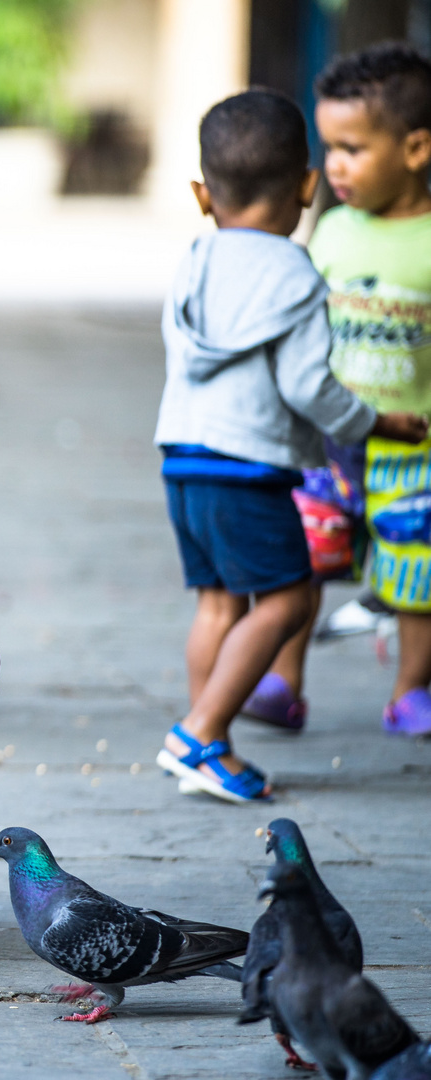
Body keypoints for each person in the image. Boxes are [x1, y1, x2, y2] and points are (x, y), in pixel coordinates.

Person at [152, 89, 428, 804]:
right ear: (307, 186)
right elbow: (309, 386)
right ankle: (199, 733)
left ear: (200, 193)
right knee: (285, 602)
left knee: (217, 605)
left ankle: (209, 741)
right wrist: (374, 422)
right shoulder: (295, 274)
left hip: (182, 456)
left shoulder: (191, 261)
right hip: (248, 467)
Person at [254, 43, 431, 736]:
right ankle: (282, 681)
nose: (335, 166)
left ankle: (411, 690)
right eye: (328, 148)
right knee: (301, 562)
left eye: (352, 148)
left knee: (419, 575)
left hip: (414, 447)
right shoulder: (331, 229)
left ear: (416, 147)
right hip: (327, 442)